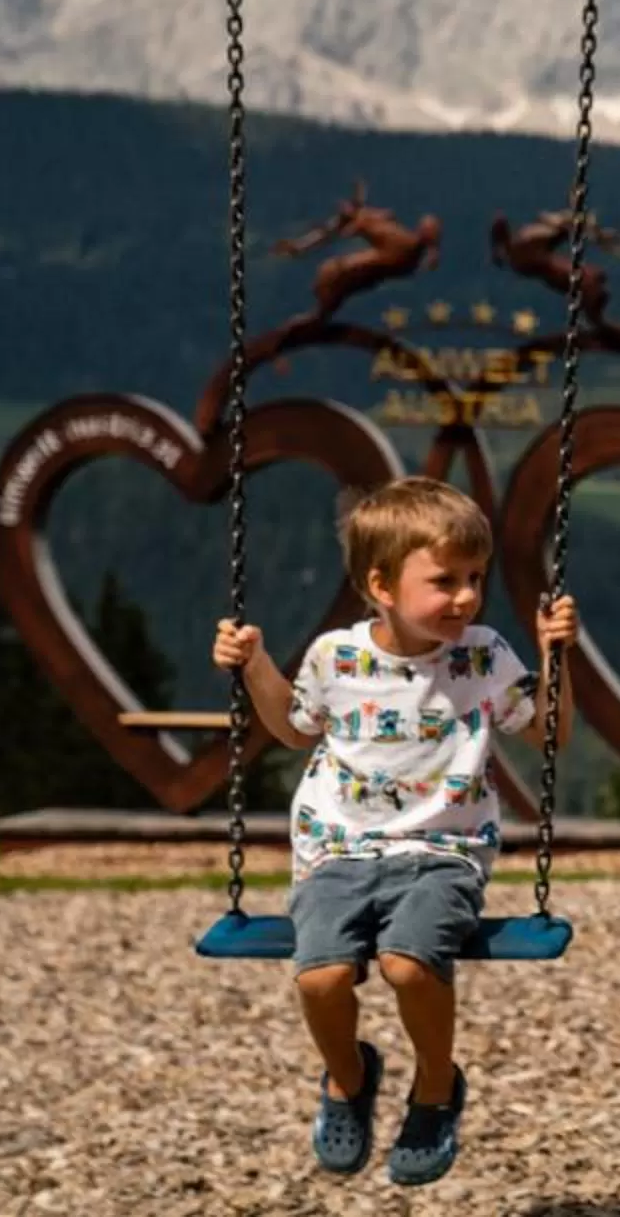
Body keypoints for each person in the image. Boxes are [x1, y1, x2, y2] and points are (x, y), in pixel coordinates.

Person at [213, 476, 578, 1186]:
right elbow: (292, 727)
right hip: (337, 848)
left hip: (444, 850)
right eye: (444, 581)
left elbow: (549, 734)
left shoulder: (483, 656)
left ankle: (437, 1089)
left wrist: (556, 655)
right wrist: (254, 665)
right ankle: (349, 1079)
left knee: (409, 963)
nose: (467, 596)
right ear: (380, 584)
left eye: (476, 577)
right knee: (319, 978)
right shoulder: (335, 658)